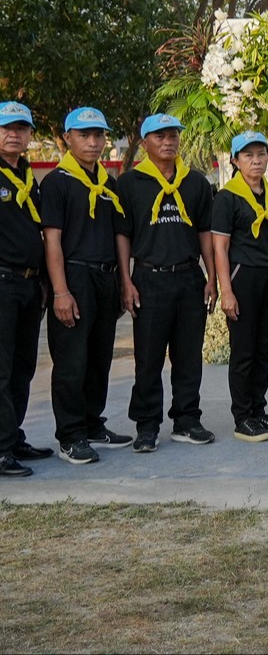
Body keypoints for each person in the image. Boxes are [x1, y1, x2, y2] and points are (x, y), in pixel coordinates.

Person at [115, 113, 217, 452]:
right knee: (148, 357)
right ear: (145, 143)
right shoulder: (129, 183)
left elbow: (205, 232)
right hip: (149, 278)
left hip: (189, 277)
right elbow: (123, 235)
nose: (168, 140)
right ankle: (147, 425)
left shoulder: (196, 182)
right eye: (160, 136)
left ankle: (187, 419)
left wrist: (212, 277)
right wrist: (126, 281)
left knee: (188, 356)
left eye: (173, 134)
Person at [41, 106, 133, 463]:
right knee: (71, 361)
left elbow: (117, 236)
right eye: (84, 135)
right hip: (74, 277)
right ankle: (70, 435)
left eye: (98, 135)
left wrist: (123, 282)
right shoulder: (57, 183)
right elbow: (52, 241)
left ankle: (93, 423)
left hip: (104, 277)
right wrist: (61, 291)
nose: (93, 142)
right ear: (67, 138)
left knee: (99, 358)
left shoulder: (107, 184)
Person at [210, 132, 268, 443]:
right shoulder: (227, 198)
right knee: (244, 351)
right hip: (243, 279)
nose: (256, 161)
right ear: (235, 160)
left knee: (262, 350)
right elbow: (220, 248)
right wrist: (225, 290)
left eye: (261, 154)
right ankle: (242, 417)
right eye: (248, 156)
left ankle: (259, 410)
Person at [0, 102, 49, 476]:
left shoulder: (28, 177)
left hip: (30, 284)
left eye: (21, 128)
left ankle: (12, 437)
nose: (13, 133)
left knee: (22, 367)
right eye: (6, 127)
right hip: (3, 282)